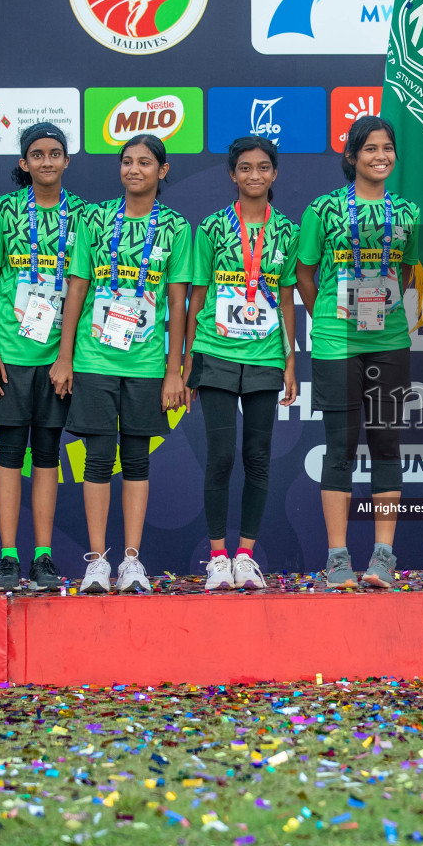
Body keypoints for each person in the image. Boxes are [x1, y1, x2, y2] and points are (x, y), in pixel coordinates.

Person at [51, 134, 191, 594]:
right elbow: (76, 288)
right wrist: (65, 356)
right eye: (127, 161)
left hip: (148, 363)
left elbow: (178, 301)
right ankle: (97, 562)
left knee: (134, 459)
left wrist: (176, 369)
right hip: (94, 358)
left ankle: (132, 561)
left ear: (162, 171)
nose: (134, 169)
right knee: (96, 459)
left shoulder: (175, 227)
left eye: (145, 162)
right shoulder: (94, 218)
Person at [296, 116, 419, 590]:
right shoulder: (324, 209)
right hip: (334, 341)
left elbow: (406, 273)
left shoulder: (406, 210)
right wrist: (328, 315)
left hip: (388, 340)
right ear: (352, 156)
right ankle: (338, 557)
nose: (380, 156)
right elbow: (305, 275)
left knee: (387, 443)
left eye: (387, 148)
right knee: (340, 448)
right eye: (370, 149)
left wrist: (377, 307)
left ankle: (383, 556)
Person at [185, 135, 299, 591]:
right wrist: (188, 360)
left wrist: (290, 361)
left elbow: (288, 299)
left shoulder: (286, 230)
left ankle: (246, 555)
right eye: (245, 168)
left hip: (265, 356)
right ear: (232, 175)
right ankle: (217, 557)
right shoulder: (212, 227)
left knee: (257, 456)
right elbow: (196, 296)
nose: (255, 175)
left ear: (274, 173)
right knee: (221, 455)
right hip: (215, 351)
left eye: (263, 167)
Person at [0, 122, 84, 593]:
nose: (46, 161)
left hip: (58, 357)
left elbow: (85, 286)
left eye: (54, 153)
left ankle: (42, 555)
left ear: (66, 161)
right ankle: (7, 556)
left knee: (46, 455)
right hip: (11, 354)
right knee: (8, 455)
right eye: (36, 154)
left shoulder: (83, 214)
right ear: (24, 163)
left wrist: (66, 357)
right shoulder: (2, 211)